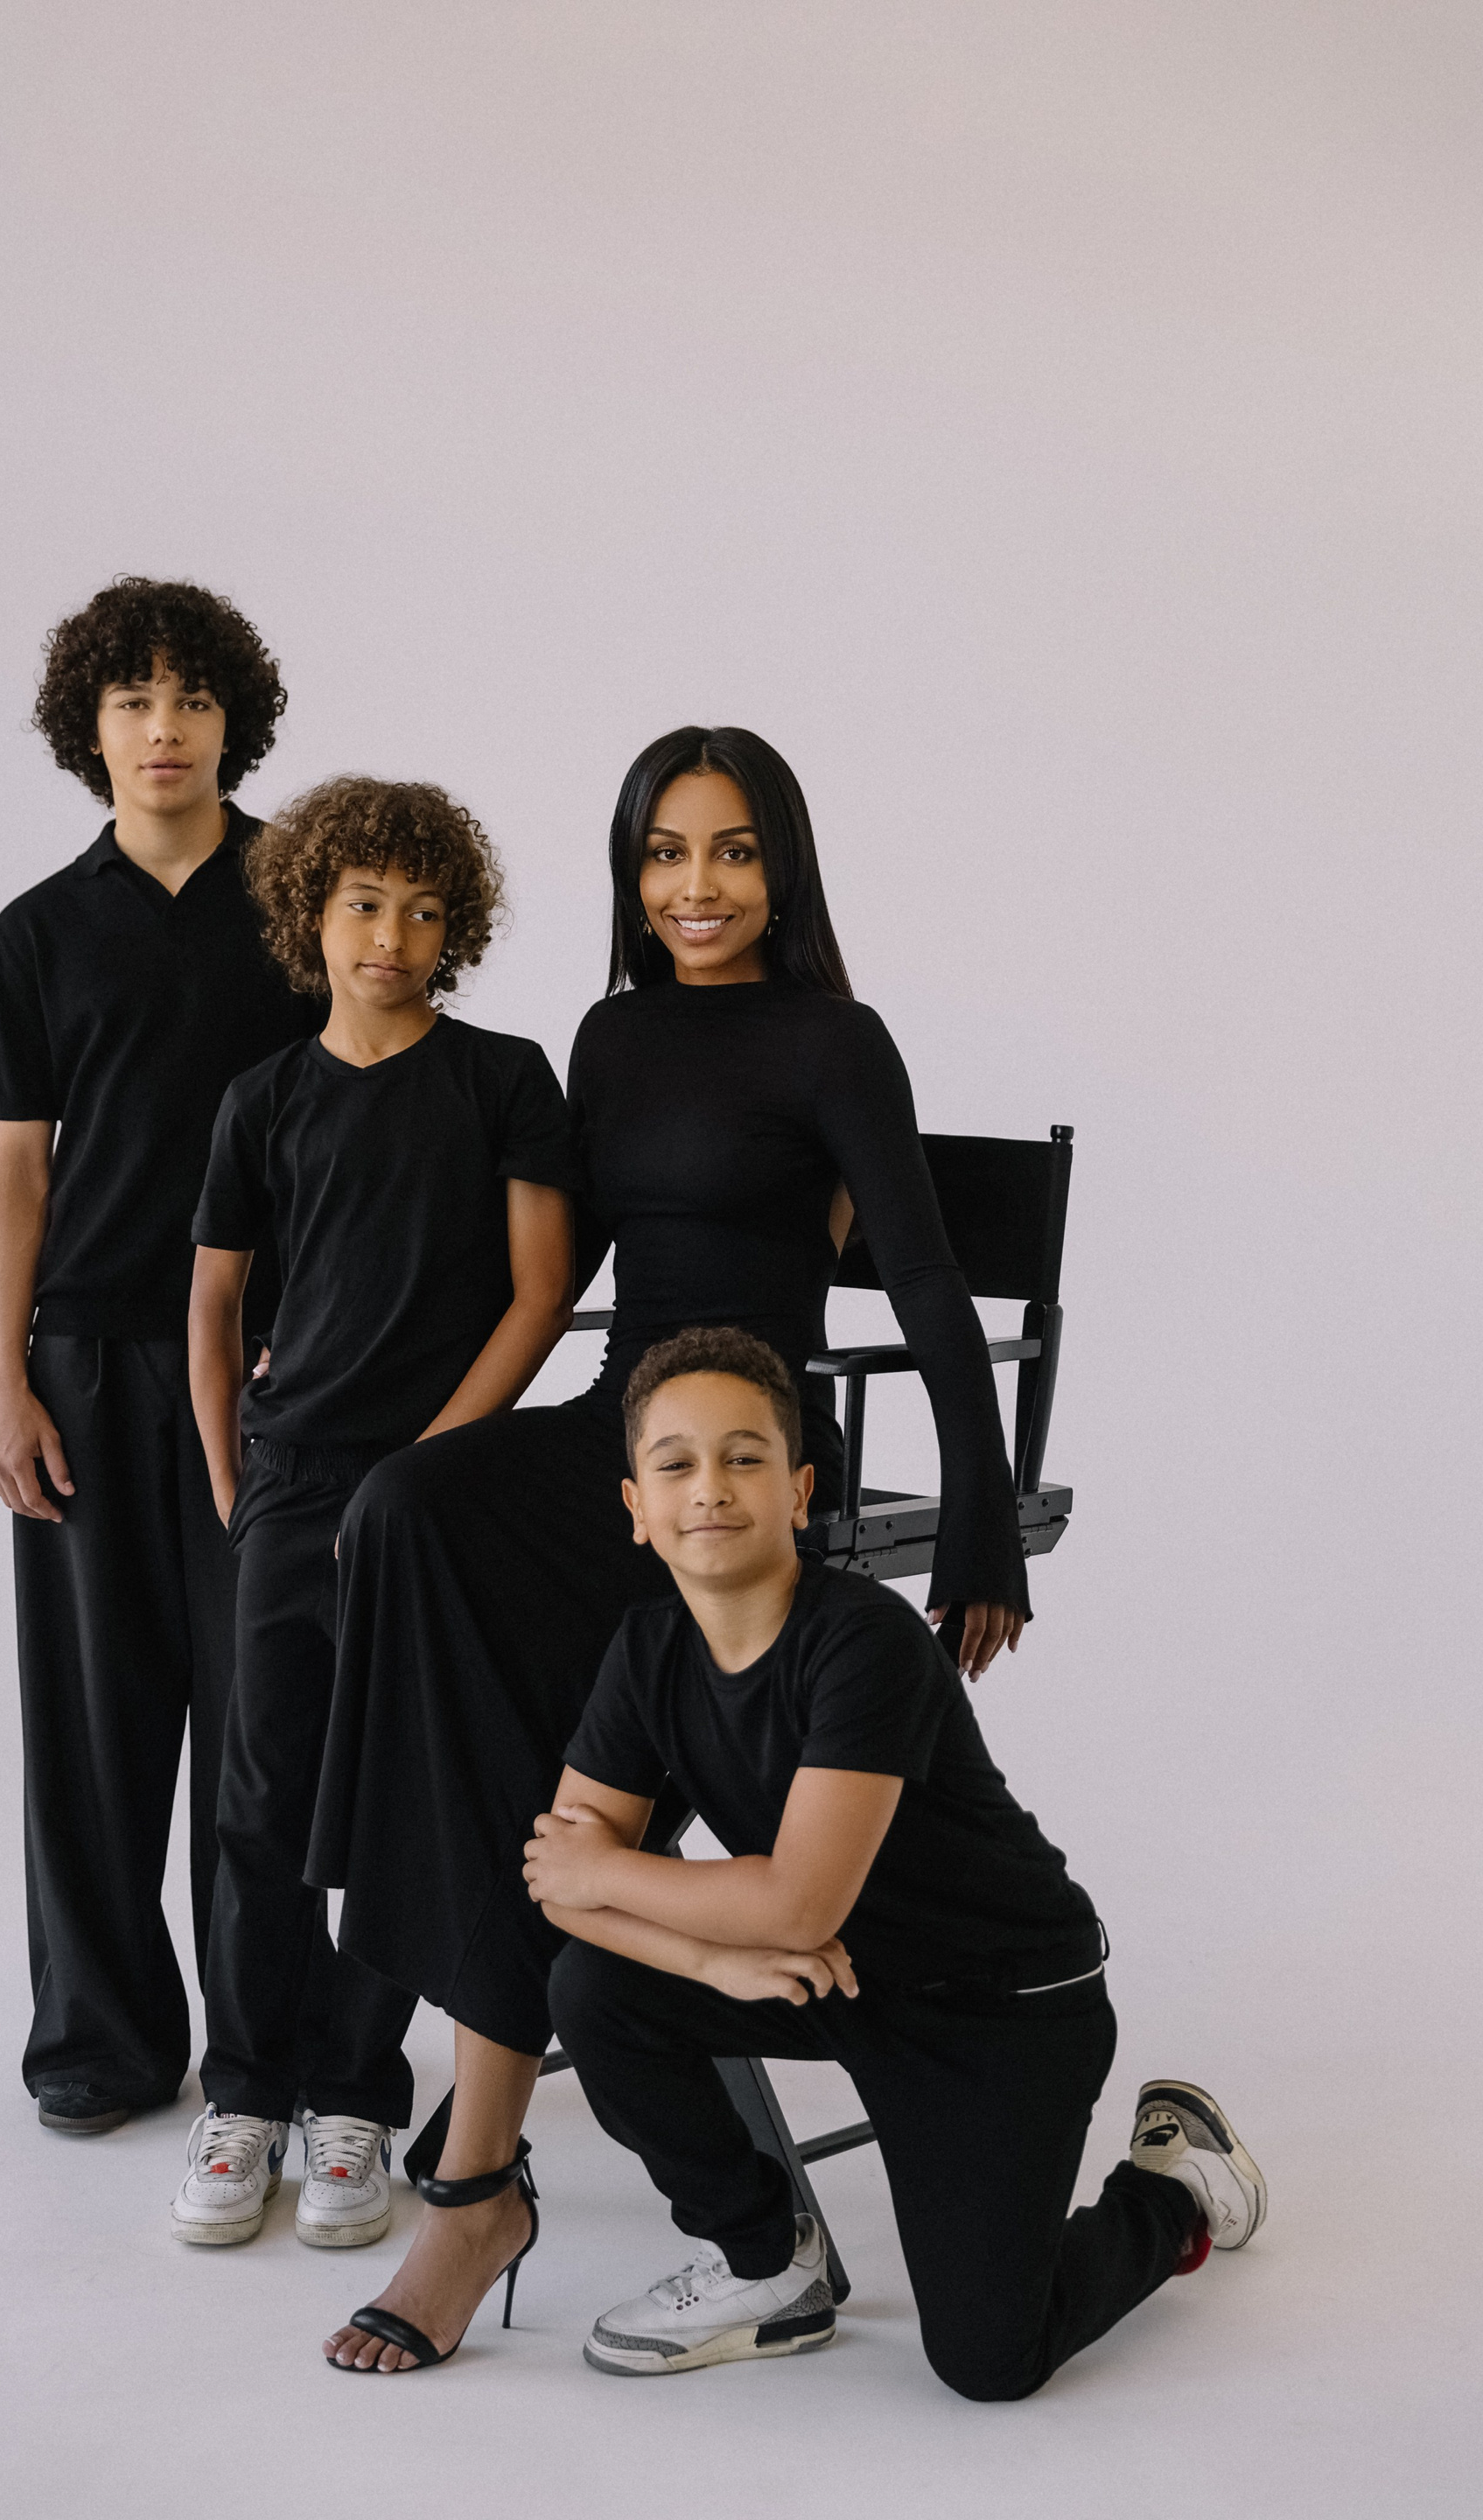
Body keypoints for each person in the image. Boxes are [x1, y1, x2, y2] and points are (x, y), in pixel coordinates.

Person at [317, 727, 1033, 2374]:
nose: (695, 886)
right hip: (617, 1439)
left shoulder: (834, 1039)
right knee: (402, 1518)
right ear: (630, 874)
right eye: (664, 853)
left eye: (730, 850)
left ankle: (472, 2179)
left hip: (749, 1455)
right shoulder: (612, 1034)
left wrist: (982, 1514)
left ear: (783, 867)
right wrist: (363, 1358)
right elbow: (549, 1261)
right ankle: (473, 2145)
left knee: (495, 1699)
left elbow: (927, 1277)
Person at [530, 1327, 1265, 2395]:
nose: (711, 1488)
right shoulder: (647, 1648)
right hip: (833, 1976)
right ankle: (766, 2266)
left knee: (989, 2362)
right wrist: (712, 1961)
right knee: (593, 1986)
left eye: (745, 1457)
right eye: (676, 1464)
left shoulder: (864, 1641)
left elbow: (778, 1899)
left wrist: (609, 1875)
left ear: (799, 1491)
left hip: (999, 2003)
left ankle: (1177, 2186)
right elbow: (556, 1885)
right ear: (638, 1506)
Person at [170, 777, 575, 2250]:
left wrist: (426, 1473)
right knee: (261, 1793)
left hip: (434, 1498)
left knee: (394, 1795)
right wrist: (233, 1482)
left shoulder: (504, 1080)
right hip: (290, 1482)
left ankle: (355, 2095)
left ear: (455, 929)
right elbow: (213, 1305)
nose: (391, 936)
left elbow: (542, 1294)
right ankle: (245, 2092)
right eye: (362, 905)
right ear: (311, 913)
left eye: (422, 910)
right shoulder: (263, 1100)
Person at [0, 577, 316, 2134]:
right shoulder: (39, 931)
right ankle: (99, 2045)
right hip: (90, 1367)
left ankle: (272, 2053)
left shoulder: (306, 903)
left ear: (235, 719)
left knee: (267, 1723)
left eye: (192, 697)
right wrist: (7, 1377)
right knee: (94, 1730)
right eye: (133, 700)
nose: (164, 727)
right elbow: (19, 1166)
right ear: (90, 728)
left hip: (276, 1368)